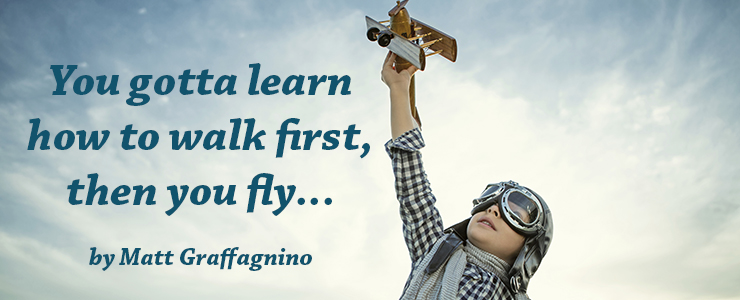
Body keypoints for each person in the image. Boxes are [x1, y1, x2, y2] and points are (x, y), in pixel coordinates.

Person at [381, 51, 553, 300]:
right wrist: (398, 88)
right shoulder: (434, 255)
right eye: (489, 201)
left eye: (514, 213)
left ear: (528, 249)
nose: (493, 210)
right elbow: (413, 189)